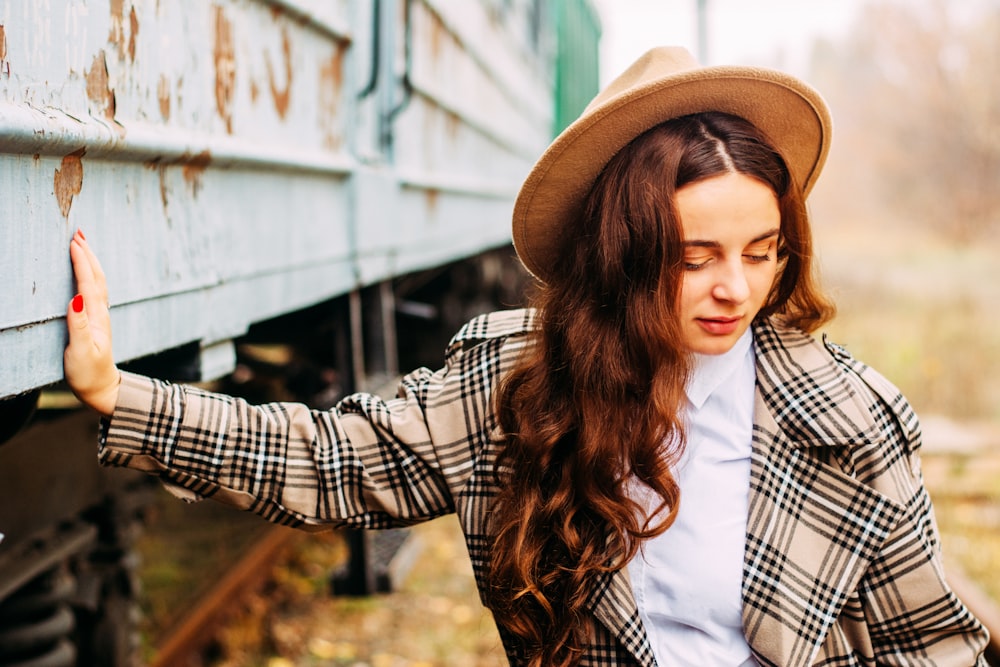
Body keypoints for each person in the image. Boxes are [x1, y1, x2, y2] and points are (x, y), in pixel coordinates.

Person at [64, 47, 988, 667]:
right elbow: (327, 460)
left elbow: (929, 643)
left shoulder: (850, 416)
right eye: (694, 256)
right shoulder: (517, 384)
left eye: (762, 251)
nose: (735, 290)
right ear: (625, 251)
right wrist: (117, 394)